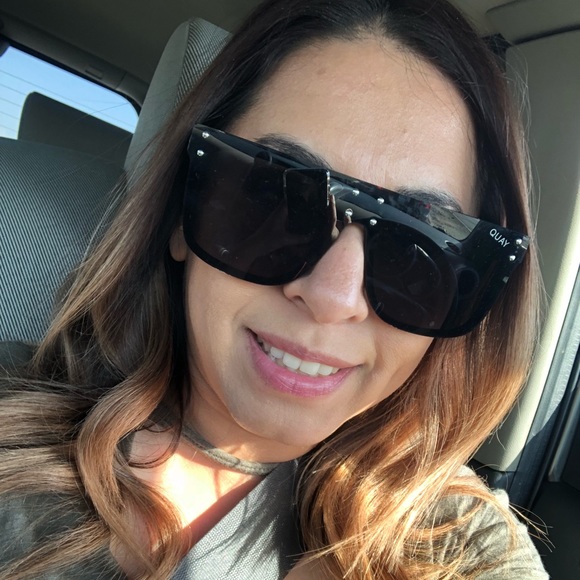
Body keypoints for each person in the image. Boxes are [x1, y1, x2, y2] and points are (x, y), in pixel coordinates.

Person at [0, 0, 548, 578]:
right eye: (273, 199)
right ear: (182, 213)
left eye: (414, 250)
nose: (332, 298)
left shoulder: (457, 541)